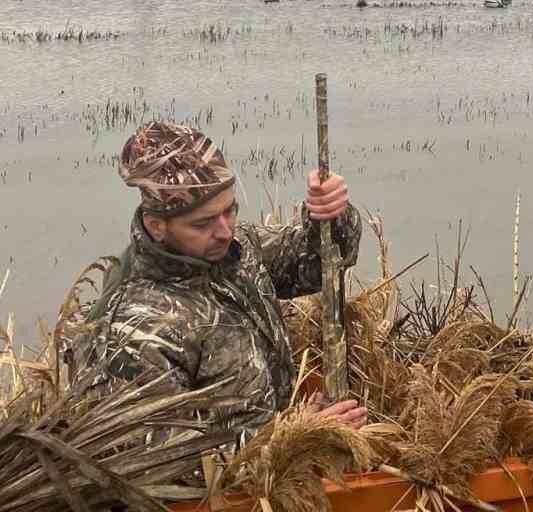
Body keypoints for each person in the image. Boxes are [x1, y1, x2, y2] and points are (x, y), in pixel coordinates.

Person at [74, 121, 368, 440]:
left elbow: (318, 265)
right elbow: (163, 467)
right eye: (202, 224)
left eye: (230, 211)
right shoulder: (135, 331)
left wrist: (328, 214)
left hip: (273, 473)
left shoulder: (236, 250)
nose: (225, 231)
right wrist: (294, 437)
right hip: (232, 486)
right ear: (157, 226)